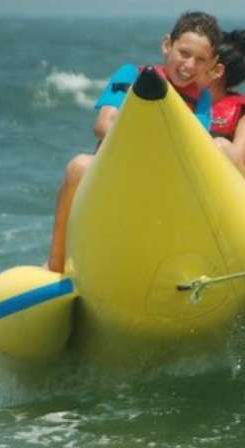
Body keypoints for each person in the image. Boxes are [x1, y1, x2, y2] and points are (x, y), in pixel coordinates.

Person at [46, 11, 222, 273]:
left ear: (210, 65)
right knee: (79, 166)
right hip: (115, 174)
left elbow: (194, 144)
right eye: (184, 53)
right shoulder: (131, 75)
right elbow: (103, 125)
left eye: (200, 60)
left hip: (161, 185)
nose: (189, 65)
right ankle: (55, 267)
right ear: (166, 45)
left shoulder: (201, 99)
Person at [207, 29, 245, 203]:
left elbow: (235, 180)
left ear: (217, 71)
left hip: (229, 209)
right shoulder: (182, 105)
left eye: (200, 60)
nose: (189, 65)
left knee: (222, 146)